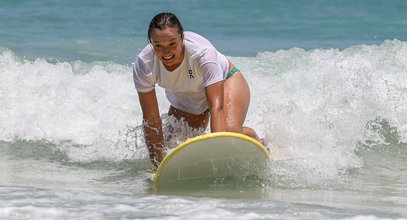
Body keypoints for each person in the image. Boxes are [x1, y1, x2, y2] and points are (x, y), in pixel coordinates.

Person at [133, 12, 261, 167]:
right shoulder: (144, 64)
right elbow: (151, 120)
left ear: (182, 38)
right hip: (187, 96)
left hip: (226, 81)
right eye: (158, 45)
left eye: (172, 43)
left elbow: (216, 107)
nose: (166, 53)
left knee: (229, 132)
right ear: (151, 43)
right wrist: (158, 166)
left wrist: (218, 158)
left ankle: (259, 141)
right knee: (173, 145)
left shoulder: (202, 54)